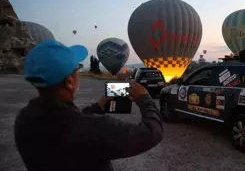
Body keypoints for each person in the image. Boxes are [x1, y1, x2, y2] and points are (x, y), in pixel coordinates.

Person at [14, 40, 163, 171]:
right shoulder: (94, 129)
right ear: (70, 80)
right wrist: (145, 99)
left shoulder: (23, 120)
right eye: (77, 70)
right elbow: (152, 133)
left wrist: (98, 107)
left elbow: (68, 122)